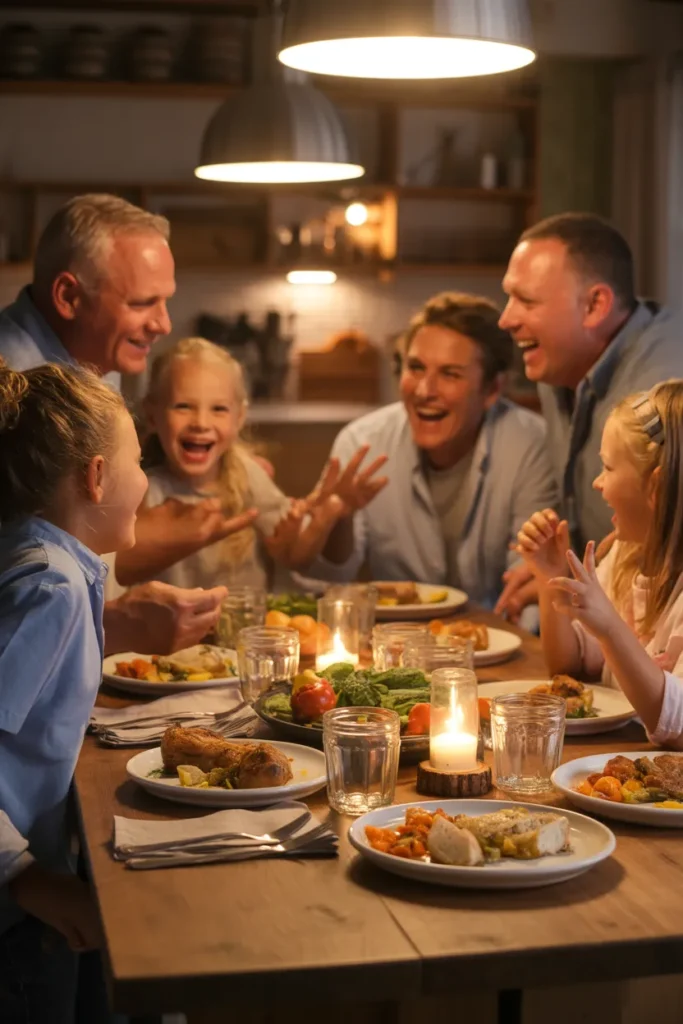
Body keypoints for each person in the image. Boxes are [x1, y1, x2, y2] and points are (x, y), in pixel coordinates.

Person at [0, 193, 229, 650]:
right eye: (144, 302)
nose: (164, 324)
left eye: (165, 301)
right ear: (68, 296)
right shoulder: (12, 390)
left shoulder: (96, 358)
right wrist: (119, 625)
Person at [0, 358, 149, 1021]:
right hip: (16, 910)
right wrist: (30, 881)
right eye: (140, 463)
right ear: (95, 477)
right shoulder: (49, 587)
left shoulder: (51, 562)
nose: (146, 482)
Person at [301, 292, 557, 614]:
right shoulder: (361, 442)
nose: (424, 391)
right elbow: (333, 580)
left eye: (450, 374)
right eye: (416, 368)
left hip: (499, 638)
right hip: (395, 644)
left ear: (492, 390)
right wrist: (340, 518)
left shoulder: (531, 445)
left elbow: (529, 577)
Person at [496, 212, 683, 621]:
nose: (505, 319)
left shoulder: (660, 393)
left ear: (595, 304)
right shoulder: (558, 364)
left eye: (526, 300)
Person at [116, 337, 387, 589]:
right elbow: (118, 571)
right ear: (152, 415)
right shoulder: (142, 489)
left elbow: (294, 556)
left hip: (244, 636)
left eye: (219, 409)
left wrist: (326, 516)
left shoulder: (247, 474)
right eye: (183, 406)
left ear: (239, 418)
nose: (200, 423)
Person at [516, 381, 683, 749]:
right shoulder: (628, 555)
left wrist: (608, 625)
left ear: (655, 488)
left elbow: (680, 724)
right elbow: (570, 667)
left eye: (607, 467)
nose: (597, 482)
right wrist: (551, 578)